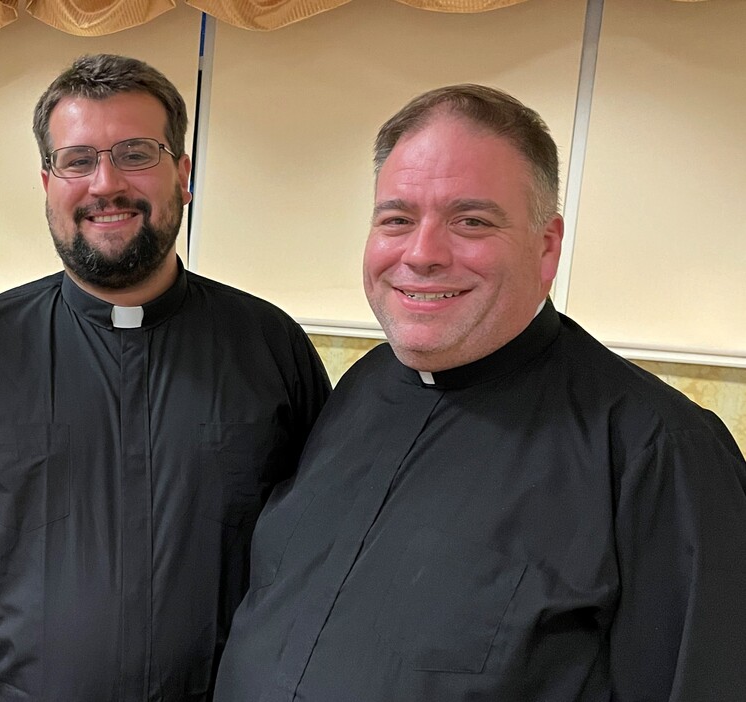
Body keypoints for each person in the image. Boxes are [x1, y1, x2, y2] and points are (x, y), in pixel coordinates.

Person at [213, 84, 746, 701]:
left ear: (546, 247)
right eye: (397, 219)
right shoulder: (362, 385)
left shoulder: (658, 454)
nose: (422, 254)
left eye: (471, 221)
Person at [0, 53, 330, 701]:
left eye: (136, 153)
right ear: (48, 182)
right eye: (78, 160)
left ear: (184, 175)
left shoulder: (271, 350)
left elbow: (320, 563)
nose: (104, 183)